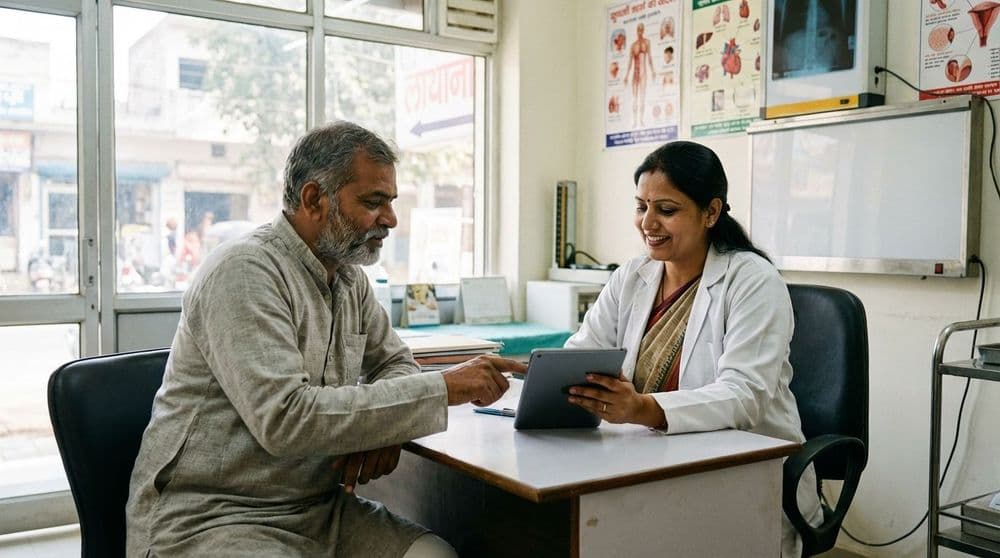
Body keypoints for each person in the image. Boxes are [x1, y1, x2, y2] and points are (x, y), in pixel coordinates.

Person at [126, 121, 526, 557]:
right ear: (314, 199)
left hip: (318, 508)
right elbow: (286, 419)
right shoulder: (244, 272)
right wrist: (443, 388)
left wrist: (383, 432)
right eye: (374, 202)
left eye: (390, 202)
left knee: (435, 555)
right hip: (213, 516)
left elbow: (396, 364)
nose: (390, 219)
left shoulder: (349, 279)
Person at [563, 140, 821, 557]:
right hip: (650, 458)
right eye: (641, 206)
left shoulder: (752, 280)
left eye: (666, 209)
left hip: (740, 473)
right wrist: (540, 377)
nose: (648, 222)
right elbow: (582, 352)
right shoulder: (633, 275)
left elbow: (744, 396)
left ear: (711, 212)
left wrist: (643, 408)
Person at [624, 22, 655, 128]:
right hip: (635, 73)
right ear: (636, 31)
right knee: (634, 98)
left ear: (643, 31)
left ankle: (641, 120)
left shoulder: (647, 42)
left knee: (642, 97)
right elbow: (629, 62)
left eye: (641, 29)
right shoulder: (633, 46)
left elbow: (650, 58)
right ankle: (634, 121)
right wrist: (626, 76)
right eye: (638, 30)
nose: (640, 32)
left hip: (643, 73)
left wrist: (653, 71)